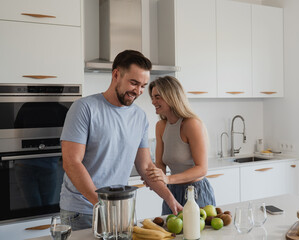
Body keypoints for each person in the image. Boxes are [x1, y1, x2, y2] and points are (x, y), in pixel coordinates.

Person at [59, 50, 182, 230]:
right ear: (116, 74)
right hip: (83, 211)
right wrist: (102, 205)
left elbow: (146, 167)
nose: (138, 91)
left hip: (121, 210)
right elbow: (71, 162)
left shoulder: (139, 116)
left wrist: (170, 199)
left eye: (143, 86)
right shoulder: (84, 108)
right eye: (134, 83)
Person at [147, 76, 216, 215]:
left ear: (171, 97)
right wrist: (154, 177)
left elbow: (202, 168)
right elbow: (160, 163)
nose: (153, 101)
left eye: (157, 97)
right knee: (170, 235)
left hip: (196, 192)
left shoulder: (192, 124)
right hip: (172, 192)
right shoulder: (160, 126)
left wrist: (168, 178)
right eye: (152, 97)